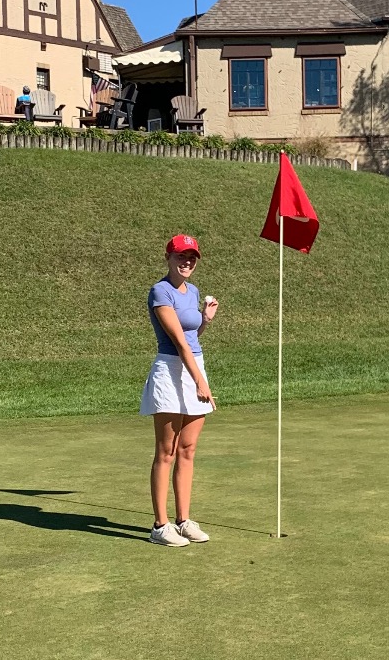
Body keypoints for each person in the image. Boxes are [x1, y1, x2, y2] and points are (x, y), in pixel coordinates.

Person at [140, 234, 219, 546]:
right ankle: (160, 526)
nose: (187, 262)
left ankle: (183, 521)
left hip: (195, 366)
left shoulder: (193, 291)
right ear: (168, 258)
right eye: (181, 256)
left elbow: (192, 337)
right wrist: (200, 382)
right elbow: (178, 342)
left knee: (188, 449)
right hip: (171, 370)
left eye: (192, 257)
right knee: (167, 451)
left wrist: (205, 321)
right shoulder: (160, 291)